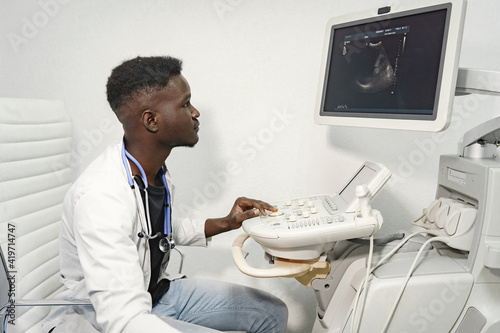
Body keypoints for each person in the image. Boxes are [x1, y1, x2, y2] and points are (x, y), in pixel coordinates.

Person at [43, 56, 288, 333]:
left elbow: (152, 228)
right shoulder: (102, 197)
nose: (195, 112)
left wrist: (225, 223)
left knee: (271, 313)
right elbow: (124, 321)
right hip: (101, 318)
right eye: (185, 104)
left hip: (155, 295)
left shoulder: (152, 170)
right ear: (151, 120)